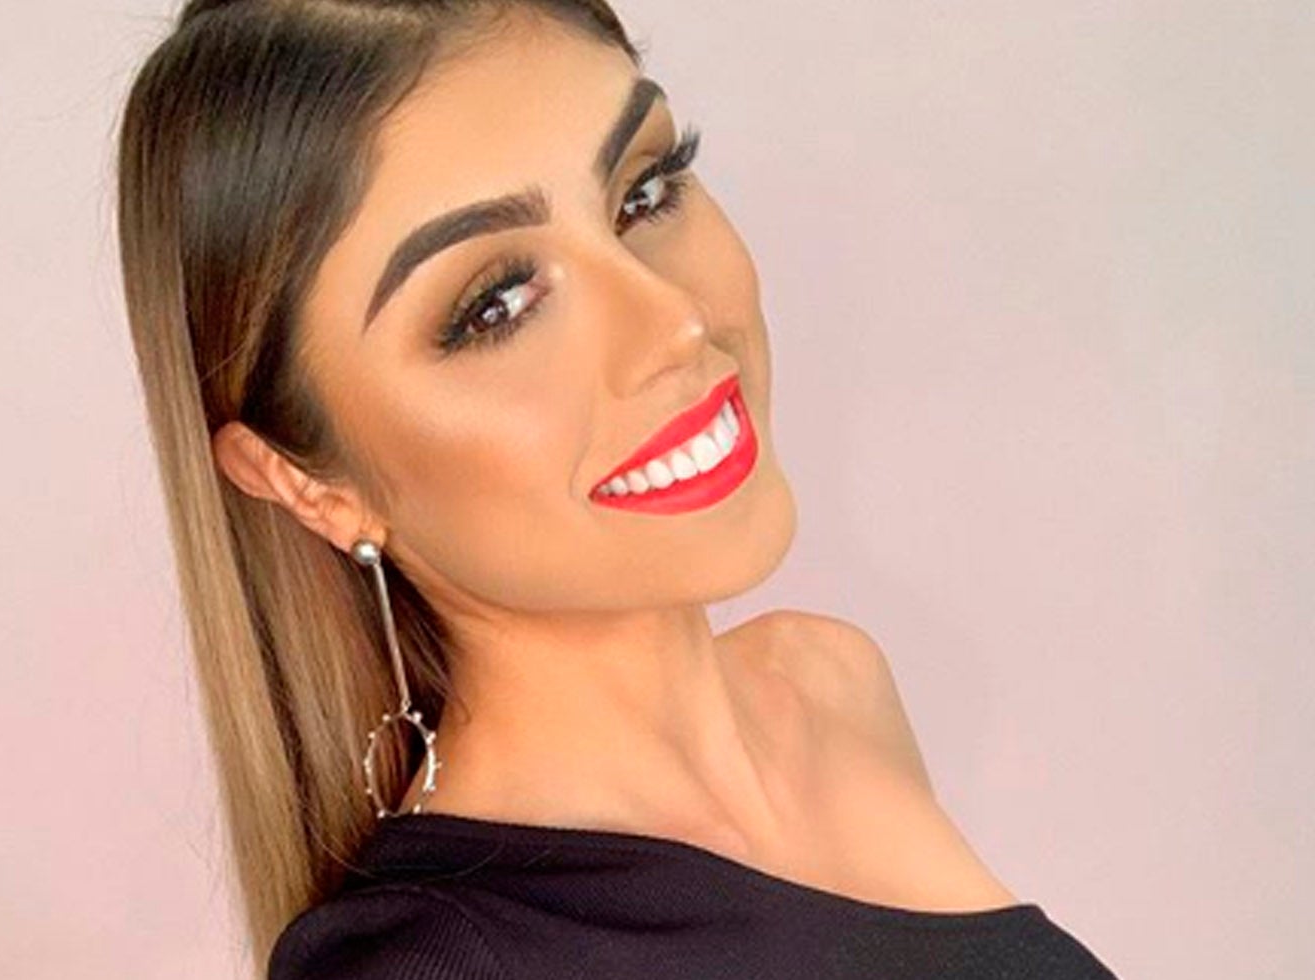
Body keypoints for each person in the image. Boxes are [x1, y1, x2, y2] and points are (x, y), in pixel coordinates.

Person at [114, 1, 1121, 977]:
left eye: (644, 193)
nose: (675, 321)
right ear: (306, 481)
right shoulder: (424, 962)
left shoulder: (830, 687)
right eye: (496, 306)